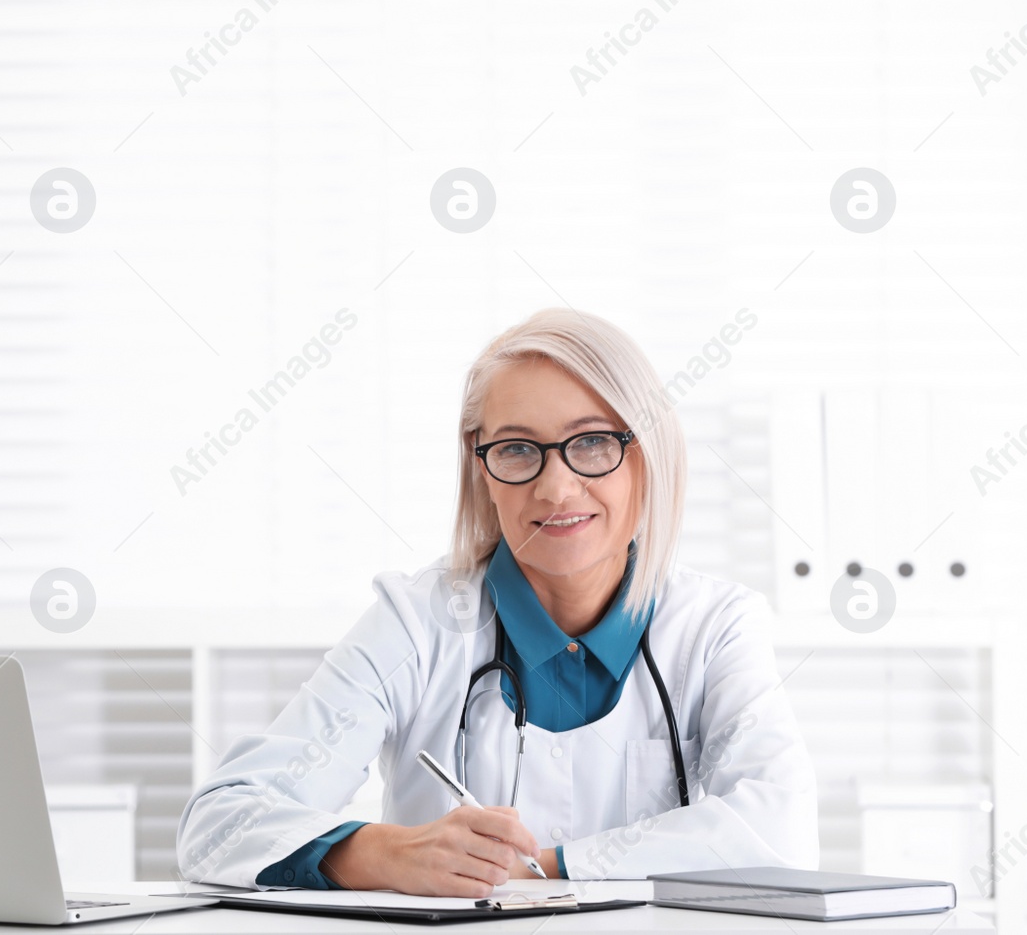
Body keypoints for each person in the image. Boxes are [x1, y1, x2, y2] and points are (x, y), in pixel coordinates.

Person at [176, 308, 818, 895]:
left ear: (647, 455)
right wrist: (381, 854)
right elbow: (220, 825)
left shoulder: (714, 627)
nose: (556, 488)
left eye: (592, 442)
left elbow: (782, 834)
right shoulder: (416, 623)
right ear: (482, 468)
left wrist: (554, 865)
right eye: (517, 449)